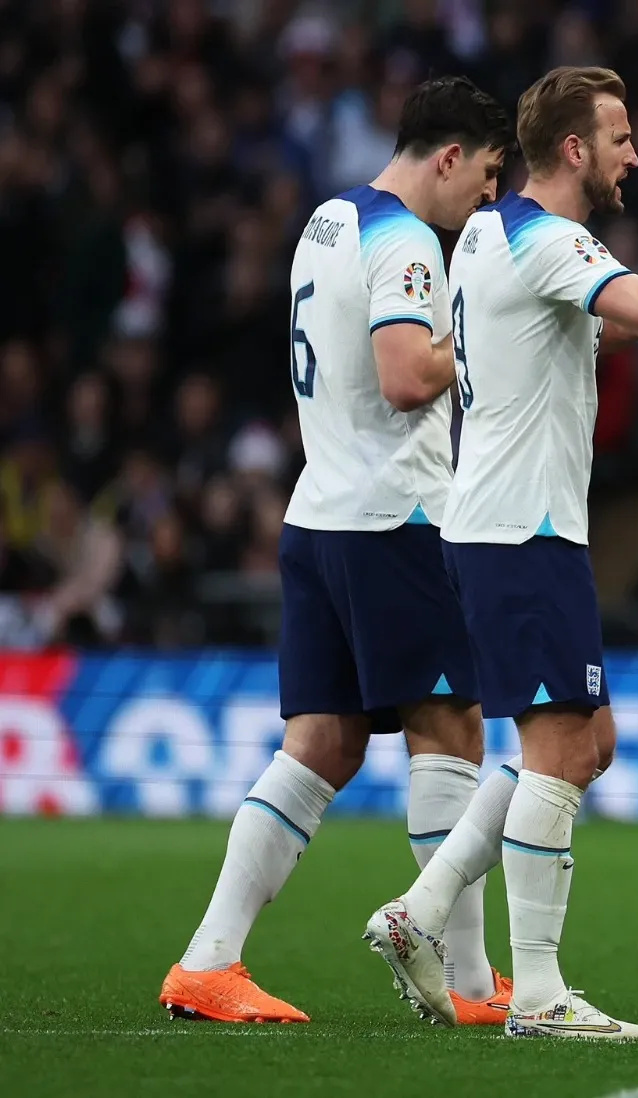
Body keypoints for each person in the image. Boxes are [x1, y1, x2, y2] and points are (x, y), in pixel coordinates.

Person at [361, 66, 638, 1039]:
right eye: (621, 135)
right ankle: (540, 995)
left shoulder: (487, 235)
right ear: (576, 149)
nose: (637, 153)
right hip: (523, 530)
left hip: (509, 525)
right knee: (558, 749)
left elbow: (608, 325)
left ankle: (418, 910)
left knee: (586, 742)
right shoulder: (554, 240)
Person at [158, 77, 514, 1026]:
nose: (486, 197)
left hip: (319, 512)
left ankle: (208, 960)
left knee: (320, 744)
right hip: (395, 518)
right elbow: (405, 378)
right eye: (485, 174)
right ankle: (474, 986)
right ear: (448, 156)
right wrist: (486, 344)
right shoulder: (404, 241)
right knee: (453, 728)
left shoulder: (326, 222)